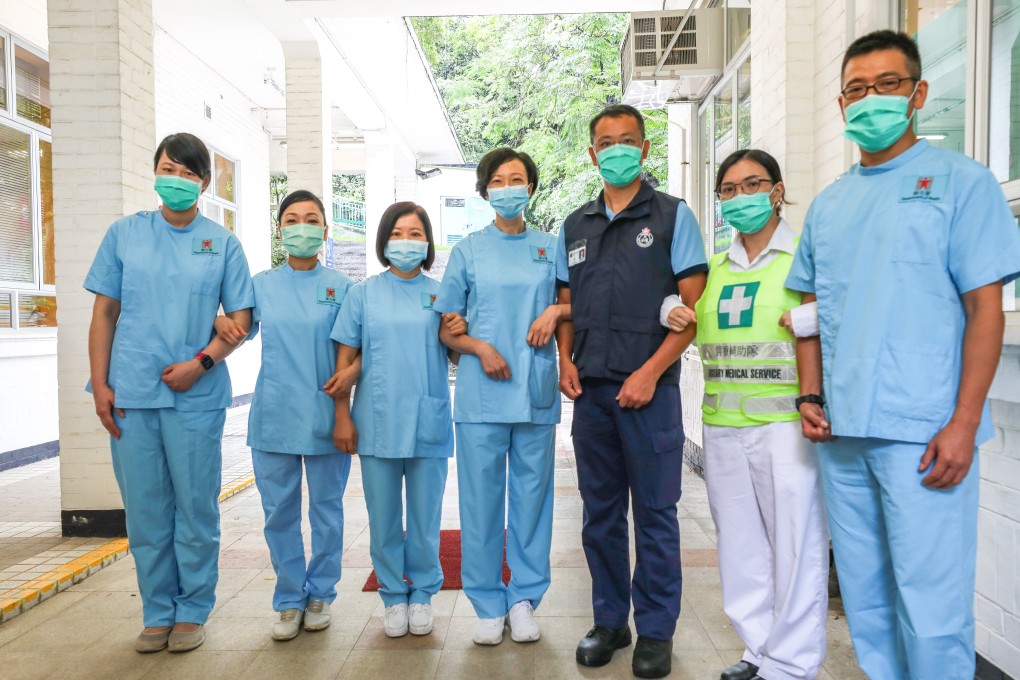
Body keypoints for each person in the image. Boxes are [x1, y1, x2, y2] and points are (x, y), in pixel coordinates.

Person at [786, 30, 1020, 680]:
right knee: (867, 601)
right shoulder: (830, 206)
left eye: (887, 85)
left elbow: (985, 311)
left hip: (925, 434)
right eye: (857, 89)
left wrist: (965, 423)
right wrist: (810, 396)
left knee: (932, 605)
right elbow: (808, 314)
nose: (872, 100)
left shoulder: (961, 184)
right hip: (845, 434)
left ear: (917, 94)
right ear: (840, 104)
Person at [85, 132, 254, 653]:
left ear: (204, 182)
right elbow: (104, 314)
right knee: (146, 511)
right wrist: (100, 387)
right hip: (131, 394)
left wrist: (200, 363)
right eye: (167, 169)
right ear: (154, 173)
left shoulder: (221, 242)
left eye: (187, 173)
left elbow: (242, 320)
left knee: (196, 509)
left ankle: (193, 610)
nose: (176, 180)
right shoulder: (125, 235)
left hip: (195, 398)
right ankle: (157, 611)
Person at [555, 104, 707, 679]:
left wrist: (650, 371)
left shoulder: (671, 216)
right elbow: (567, 305)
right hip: (592, 395)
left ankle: (657, 630)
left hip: (650, 394)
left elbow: (692, 313)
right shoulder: (576, 224)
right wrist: (565, 359)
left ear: (644, 149)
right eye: (605, 142)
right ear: (593, 154)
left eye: (627, 141)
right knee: (599, 515)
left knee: (655, 514)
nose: (616, 150)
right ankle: (610, 621)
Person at [663, 150, 828, 680]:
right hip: (724, 426)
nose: (740, 197)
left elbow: (844, 309)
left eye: (752, 184)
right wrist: (669, 307)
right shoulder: (715, 267)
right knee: (739, 545)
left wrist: (812, 314)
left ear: (777, 191)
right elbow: (688, 311)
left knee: (795, 546)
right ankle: (759, 648)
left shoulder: (804, 256)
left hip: (786, 427)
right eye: (728, 190)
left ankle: (793, 664)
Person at [434, 148, 565, 646]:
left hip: (533, 391)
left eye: (518, 179)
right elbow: (448, 330)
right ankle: (488, 602)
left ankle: (525, 598)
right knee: (481, 503)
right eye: (499, 180)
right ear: (485, 190)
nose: (509, 187)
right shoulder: (467, 251)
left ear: (531, 188)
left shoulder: (551, 247)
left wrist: (556, 314)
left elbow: (574, 305)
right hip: (481, 397)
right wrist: (479, 347)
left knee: (532, 502)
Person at [214, 190, 355, 641]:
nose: (302, 227)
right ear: (280, 231)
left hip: (327, 417)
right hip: (274, 416)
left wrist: (343, 409)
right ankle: (290, 598)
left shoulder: (343, 287)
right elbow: (236, 330)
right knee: (279, 515)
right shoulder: (261, 285)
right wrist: (216, 320)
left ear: (325, 231)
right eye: (292, 219)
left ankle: (321, 594)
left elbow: (352, 354)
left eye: (311, 219)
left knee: (327, 512)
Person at [330, 202, 459, 638]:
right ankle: (391, 594)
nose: (407, 241)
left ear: (427, 243)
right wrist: (342, 416)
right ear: (384, 241)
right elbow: (345, 360)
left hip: (428, 417)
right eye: (398, 233)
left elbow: (456, 352)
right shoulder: (362, 293)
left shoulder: (443, 293)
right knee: (383, 517)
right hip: (377, 420)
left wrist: (460, 330)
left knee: (425, 517)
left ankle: (422, 593)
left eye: (416, 233)